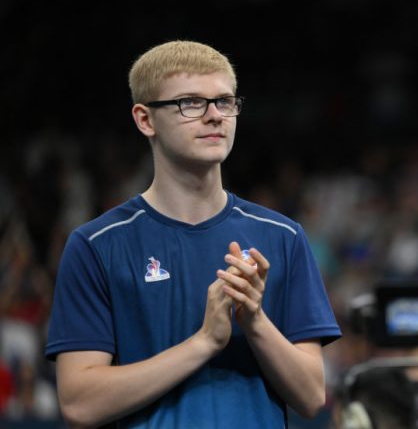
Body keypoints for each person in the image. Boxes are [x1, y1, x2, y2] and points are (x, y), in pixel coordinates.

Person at [45, 40, 341, 428]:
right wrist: (204, 343)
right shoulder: (97, 245)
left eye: (224, 101)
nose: (215, 116)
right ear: (145, 119)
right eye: (191, 103)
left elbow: (311, 396)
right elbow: (79, 404)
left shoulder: (283, 237)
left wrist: (253, 321)